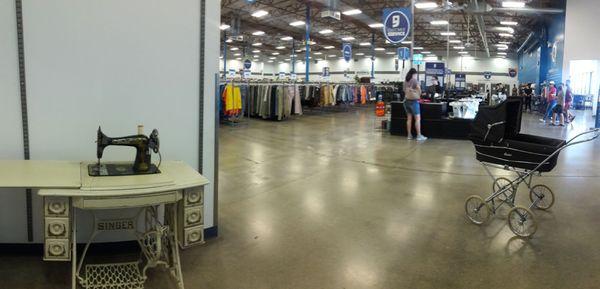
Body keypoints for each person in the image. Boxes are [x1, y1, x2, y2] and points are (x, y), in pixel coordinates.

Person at [404, 68, 427, 141]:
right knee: (417, 119)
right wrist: (419, 93)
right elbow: (419, 89)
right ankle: (419, 135)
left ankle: (409, 135)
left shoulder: (405, 81)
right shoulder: (414, 80)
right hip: (414, 101)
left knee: (409, 119)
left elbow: (404, 91)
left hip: (406, 101)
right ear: (414, 74)